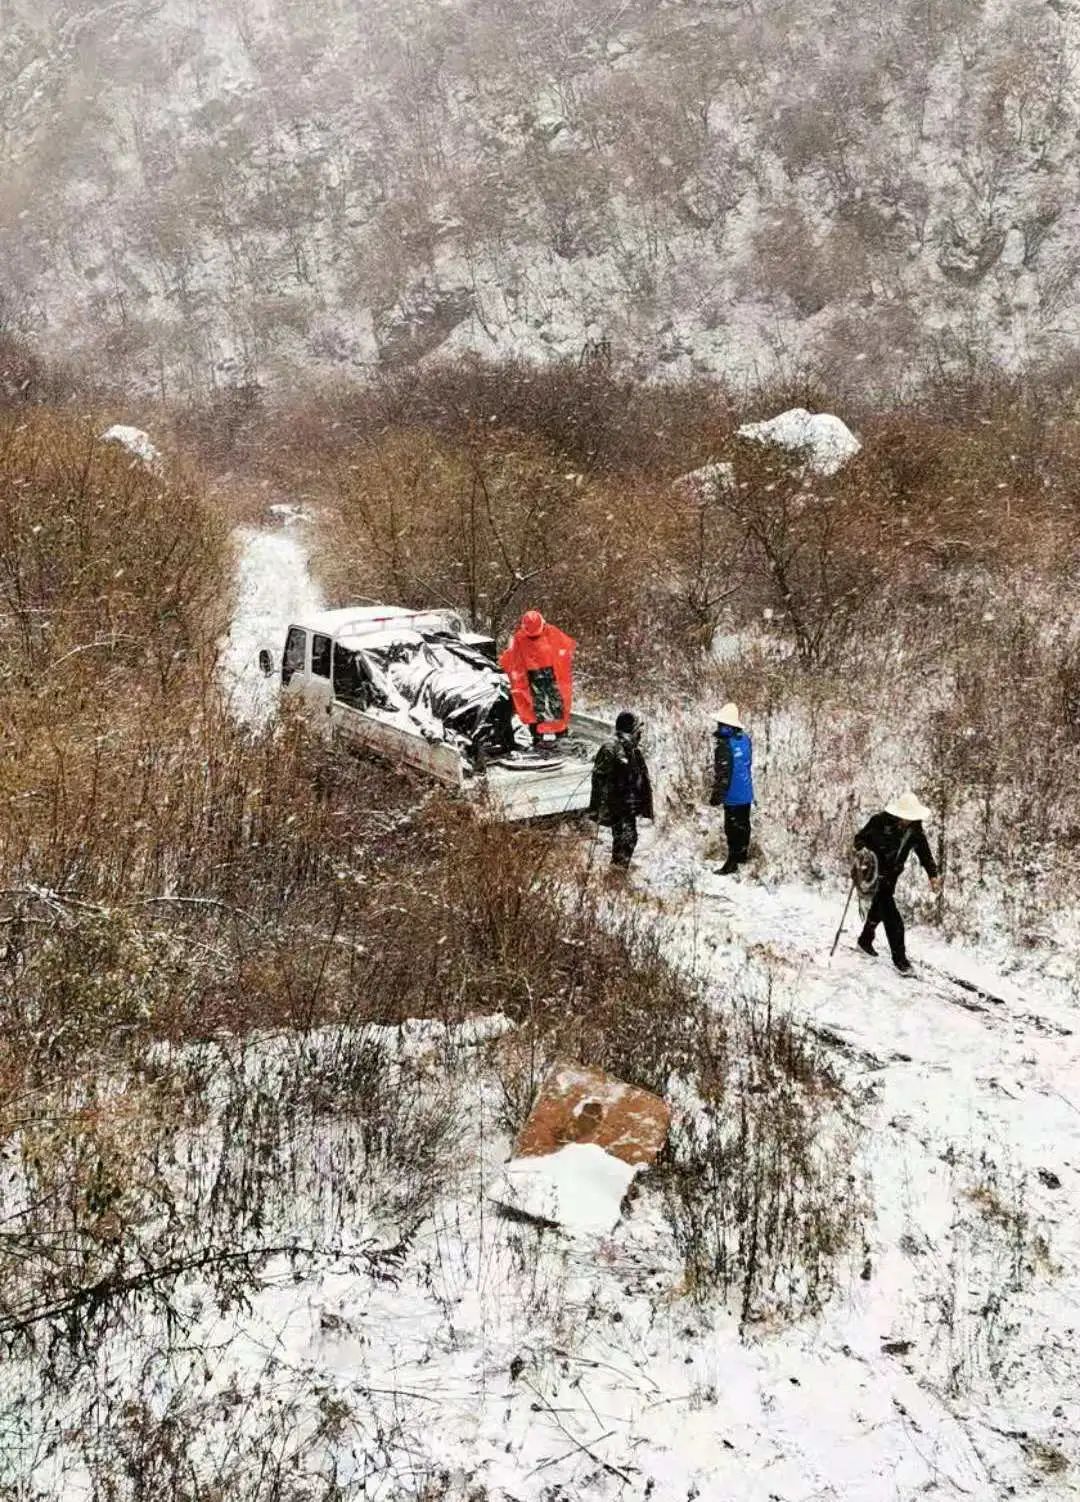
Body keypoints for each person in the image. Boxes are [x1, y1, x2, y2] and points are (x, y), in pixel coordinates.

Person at [854, 791, 942, 977]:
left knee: (878, 909)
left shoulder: (915, 831)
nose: (906, 821)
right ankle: (900, 961)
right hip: (874, 874)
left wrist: (932, 875)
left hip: (891, 876)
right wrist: (863, 851)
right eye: (904, 817)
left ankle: (865, 940)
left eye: (910, 818)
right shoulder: (879, 821)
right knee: (894, 919)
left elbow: (925, 854)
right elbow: (859, 839)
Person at [499, 610, 577, 746]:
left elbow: (566, 648)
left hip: (551, 675)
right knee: (535, 707)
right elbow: (511, 657)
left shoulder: (552, 633)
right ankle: (538, 736)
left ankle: (560, 734)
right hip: (532, 678)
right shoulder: (519, 638)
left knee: (555, 705)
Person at [588, 710, 654, 870]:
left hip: (626, 807)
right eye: (638, 730)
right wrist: (604, 809)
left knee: (628, 840)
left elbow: (641, 778)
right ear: (630, 730)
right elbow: (599, 780)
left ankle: (618, 870)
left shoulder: (631, 748)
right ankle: (617, 875)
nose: (640, 734)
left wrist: (643, 805)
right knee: (625, 840)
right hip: (618, 806)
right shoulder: (611, 749)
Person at [710, 702, 753, 875]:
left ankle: (732, 863)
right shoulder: (745, 740)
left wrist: (716, 796)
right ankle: (741, 858)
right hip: (746, 792)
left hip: (732, 795)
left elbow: (723, 775)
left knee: (732, 828)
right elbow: (748, 764)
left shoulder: (724, 746)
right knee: (743, 826)